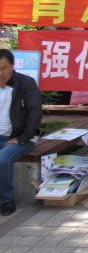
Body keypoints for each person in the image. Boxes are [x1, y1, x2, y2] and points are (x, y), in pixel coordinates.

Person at [0, 49, 43, 216]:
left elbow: (35, 112)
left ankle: (6, 200)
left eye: (4, 68)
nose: (1, 73)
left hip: (20, 137)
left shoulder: (25, 83)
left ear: (12, 65)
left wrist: (22, 138)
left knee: (3, 160)